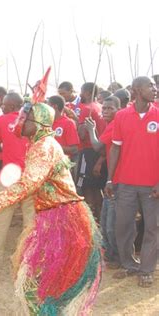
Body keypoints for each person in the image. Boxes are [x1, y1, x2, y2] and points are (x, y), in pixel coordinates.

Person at [0, 101, 102, 315]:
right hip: (51, 215)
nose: (19, 122)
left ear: (38, 122)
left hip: (62, 219)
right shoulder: (38, 142)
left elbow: (29, 183)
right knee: (38, 280)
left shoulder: (43, 146)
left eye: (24, 118)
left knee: (41, 282)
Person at [105, 76, 159, 287]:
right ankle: (129, 264)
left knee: (152, 228)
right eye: (150, 86)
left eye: (155, 86)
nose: (155, 89)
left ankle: (147, 269)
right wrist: (110, 178)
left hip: (152, 185)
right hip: (125, 183)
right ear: (137, 90)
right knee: (123, 226)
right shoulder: (121, 116)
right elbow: (116, 147)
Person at [0, 92, 34, 269]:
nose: (1, 105)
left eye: (4, 104)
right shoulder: (32, 120)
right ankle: (29, 261)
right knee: (31, 219)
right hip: (31, 174)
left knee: (1, 217)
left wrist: (7, 144)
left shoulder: (3, 120)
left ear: (12, 106)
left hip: (10, 174)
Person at [85, 96, 121, 269]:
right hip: (111, 178)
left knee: (112, 223)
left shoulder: (116, 125)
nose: (105, 111)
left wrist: (91, 130)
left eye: (110, 108)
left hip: (118, 179)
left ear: (118, 109)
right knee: (107, 219)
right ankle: (110, 255)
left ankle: (117, 256)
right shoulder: (110, 125)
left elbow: (98, 146)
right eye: (104, 108)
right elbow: (106, 150)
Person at [76, 82, 107, 222]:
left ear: (88, 93)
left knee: (86, 188)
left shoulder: (86, 109)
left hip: (88, 151)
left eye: (81, 91)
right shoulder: (101, 107)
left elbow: (82, 136)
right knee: (97, 189)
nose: (80, 94)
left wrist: (78, 125)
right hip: (101, 150)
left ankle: (91, 222)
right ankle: (100, 220)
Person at [48, 95, 80, 160]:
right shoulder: (45, 122)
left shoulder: (68, 123)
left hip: (60, 165)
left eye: (48, 106)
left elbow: (74, 149)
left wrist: (52, 147)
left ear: (54, 106)